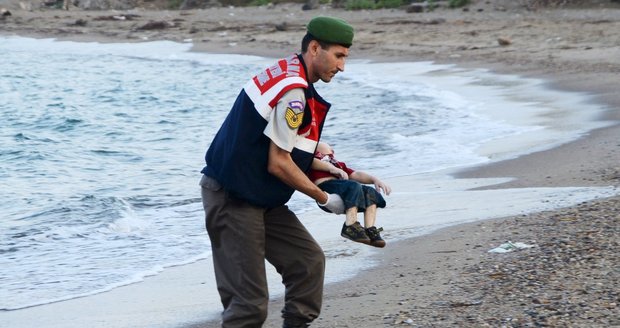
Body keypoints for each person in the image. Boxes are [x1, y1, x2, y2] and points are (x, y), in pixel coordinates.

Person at [199, 16, 354, 328]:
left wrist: (323, 163)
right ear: (314, 48)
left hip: (260, 196)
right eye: (338, 56)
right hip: (233, 199)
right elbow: (279, 162)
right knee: (249, 307)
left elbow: (279, 138)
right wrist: (324, 198)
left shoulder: (289, 70)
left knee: (308, 263)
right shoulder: (294, 92)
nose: (341, 67)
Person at [308, 142, 391, 248]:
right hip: (325, 188)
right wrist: (330, 168)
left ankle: (370, 229)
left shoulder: (338, 165)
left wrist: (374, 179)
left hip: (344, 190)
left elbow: (356, 174)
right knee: (354, 186)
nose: (332, 151)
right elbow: (311, 161)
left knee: (370, 192)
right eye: (329, 150)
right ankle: (350, 225)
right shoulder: (314, 160)